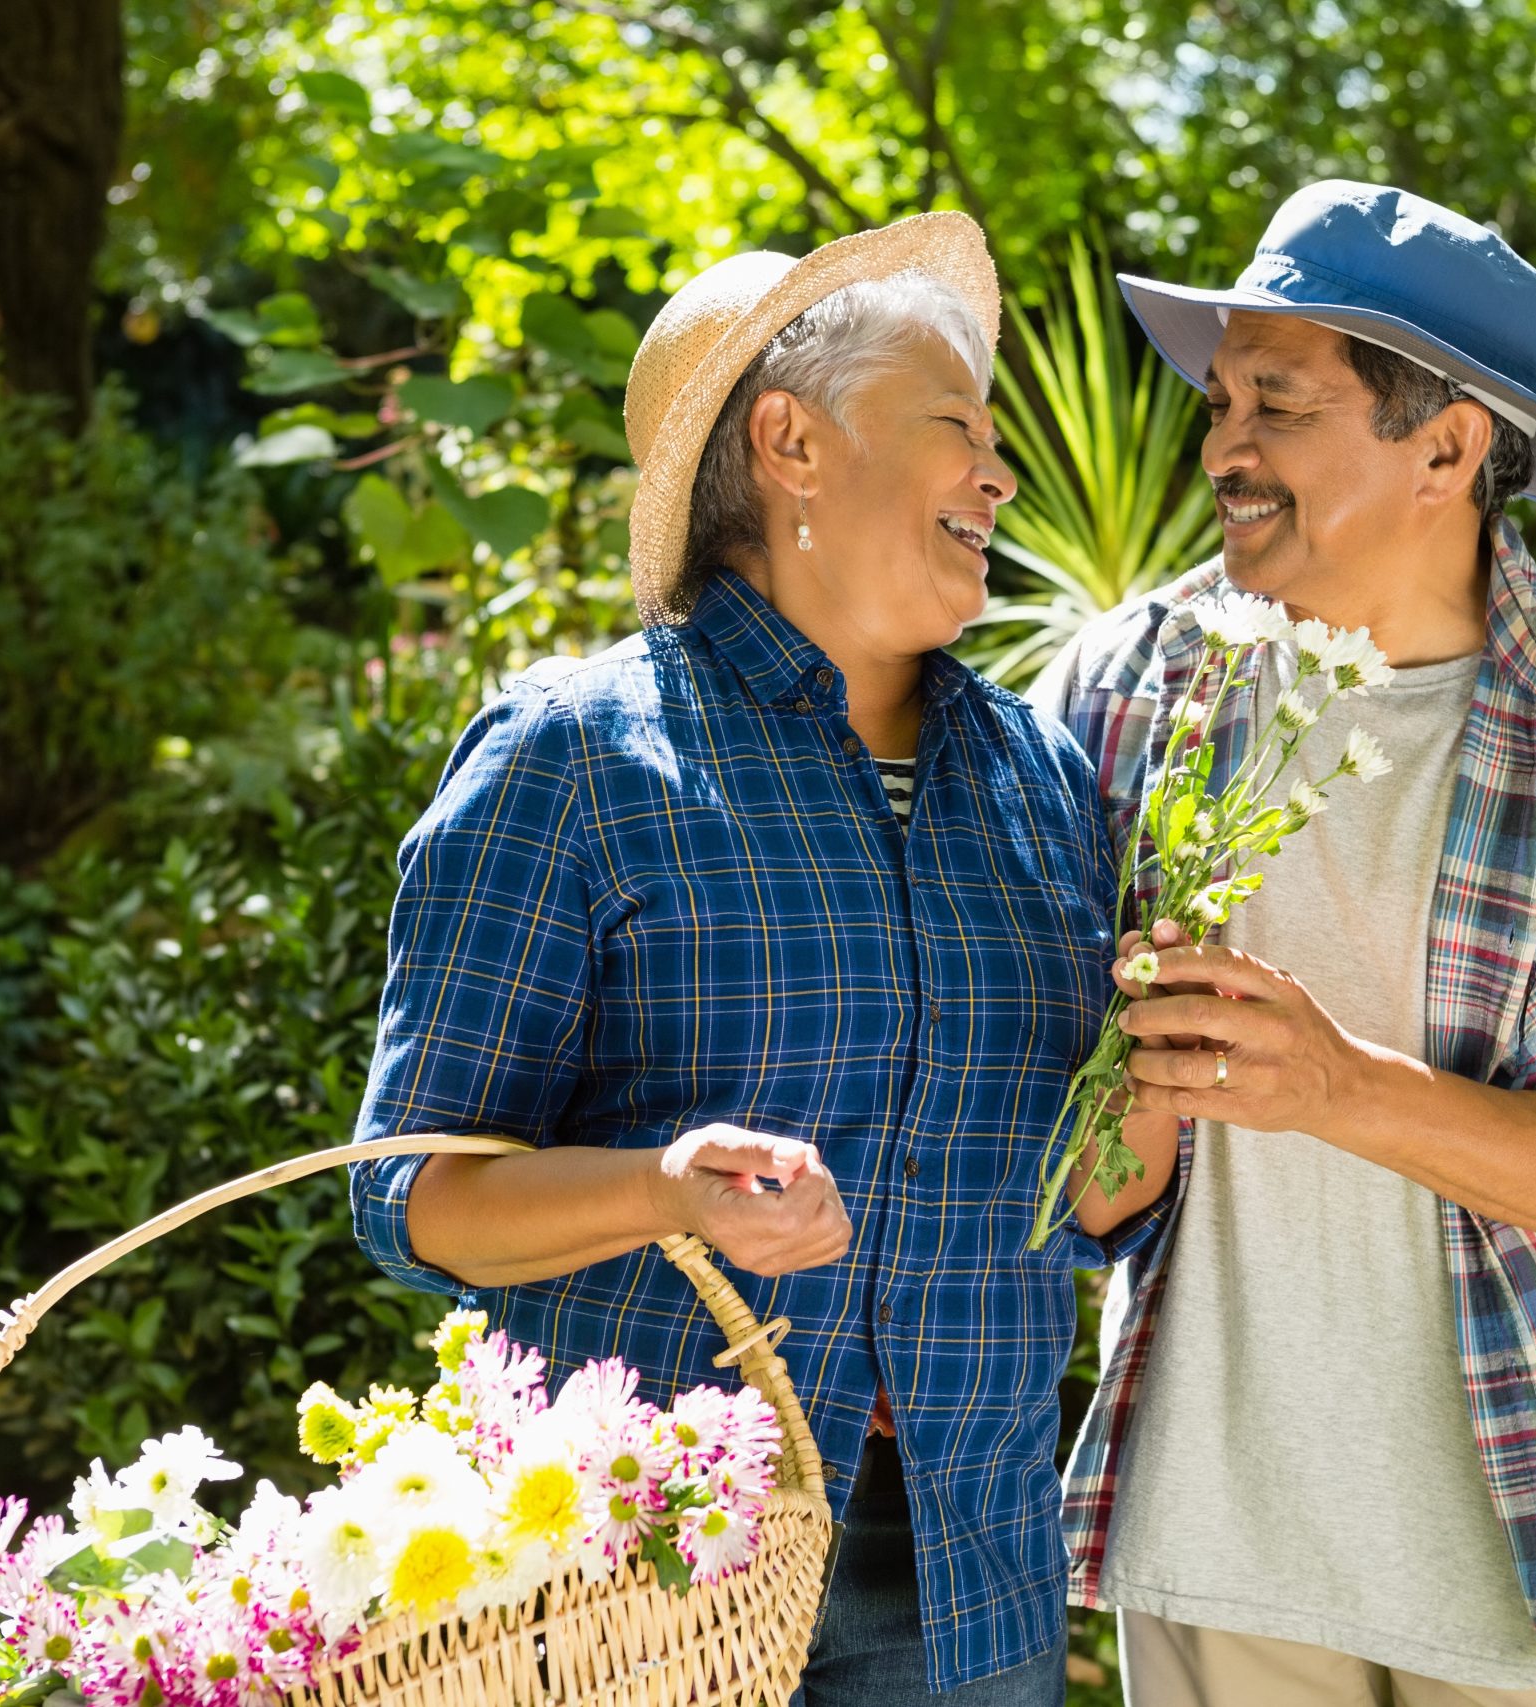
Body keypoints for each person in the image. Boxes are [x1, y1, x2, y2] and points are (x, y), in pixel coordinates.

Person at [347, 212, 1175, 1705]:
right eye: (955, 426)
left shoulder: (1047, 779)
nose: (1000, 473)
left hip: (967, 1583)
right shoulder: (575, 757)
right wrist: (665, 1193)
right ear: (791, 443)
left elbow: (1092, 1206)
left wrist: (1175, 1066)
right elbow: (416, 1197)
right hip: (643, 1573)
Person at [1032, 181, 1536, 1706]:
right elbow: (1083, 1174)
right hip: (1214, 1544)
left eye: (1278, 405)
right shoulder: (1123, 687)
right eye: (1219, 398)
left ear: (1447, 448)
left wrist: (1340, 1090)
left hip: (1534, 1555)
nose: (1220, 449)